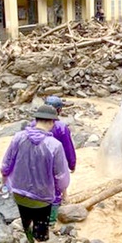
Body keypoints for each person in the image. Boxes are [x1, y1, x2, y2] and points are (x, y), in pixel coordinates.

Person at [1, 105, 71, 243]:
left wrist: (4, 180)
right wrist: (63, 191)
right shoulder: (54, 145)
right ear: (52, 122)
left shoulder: (18, 137)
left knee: (26, 221)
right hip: (42, 196)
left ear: (36, 119)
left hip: (18, 191)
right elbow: (61, 174)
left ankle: (30, 241)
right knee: (42, 233)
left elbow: (6, 162)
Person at [40, 95, 77, 225]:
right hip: (55, 164)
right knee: (55, 190)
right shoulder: (60, 127)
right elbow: (68, 148)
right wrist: (72, 164)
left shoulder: (33, 124)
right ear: (59, 110)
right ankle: (51, 219)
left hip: (36, 164)